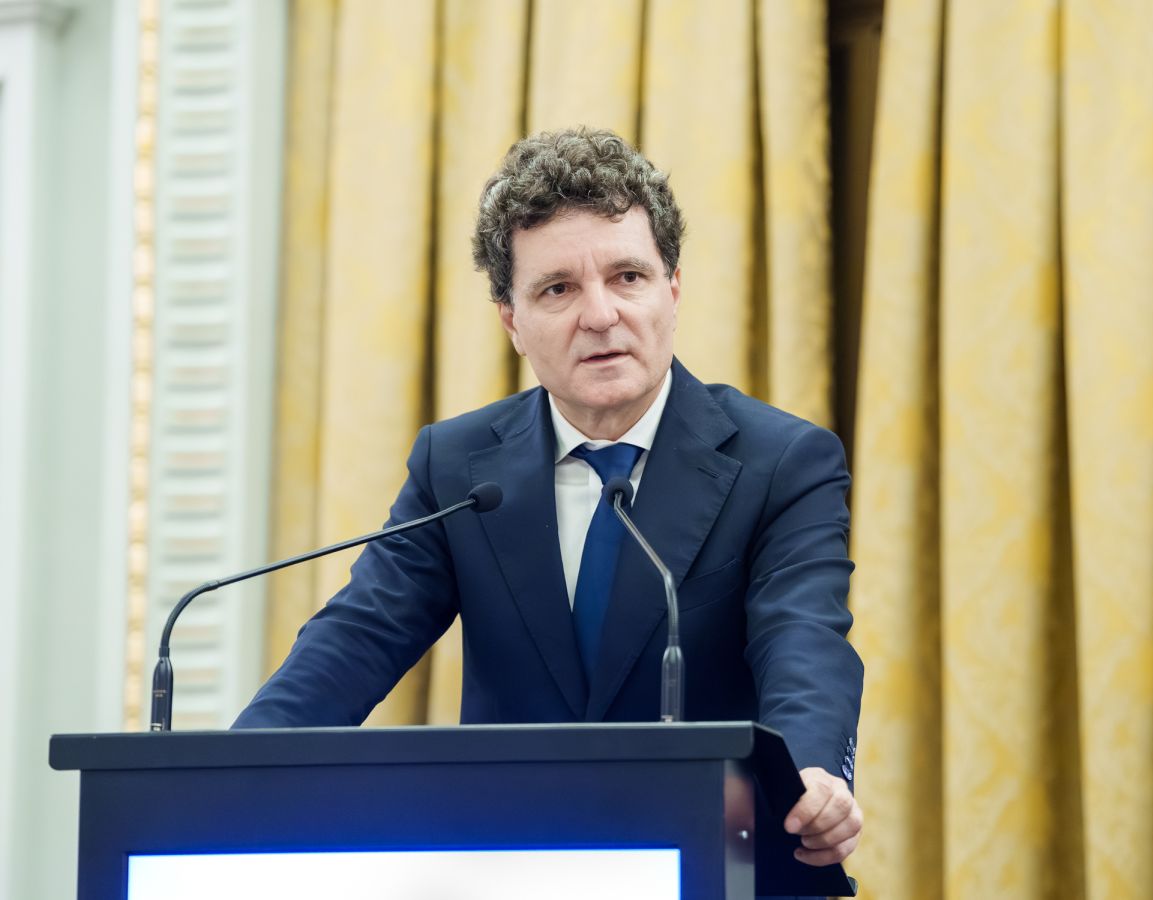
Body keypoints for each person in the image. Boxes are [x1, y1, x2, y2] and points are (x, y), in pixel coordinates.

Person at [234, 127, 864, 868]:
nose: (599, 315)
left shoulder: (781, 462)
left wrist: (811, 771)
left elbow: (804, 640)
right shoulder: (458, 468)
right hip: (515, 862)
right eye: (558, 288)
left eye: (627, 277)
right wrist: (226, 774)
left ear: (672, 290)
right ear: (513, 321)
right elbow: (357, 639)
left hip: (719, 855)